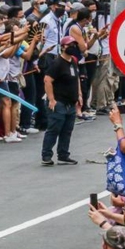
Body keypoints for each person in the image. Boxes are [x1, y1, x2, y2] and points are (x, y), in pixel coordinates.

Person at [41, 36, 82, 166]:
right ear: (63, 47)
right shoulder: (57, 63)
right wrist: (52, 99)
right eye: (70, 45)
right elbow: (47, 80)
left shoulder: (73, 62)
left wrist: (79, 95)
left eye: (74, 45)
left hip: (70, 103)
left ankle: (63, 155)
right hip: (59, 102)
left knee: (67, 131)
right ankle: (46, 155)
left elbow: (76, 79)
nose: (73, 47)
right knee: (54, 129)